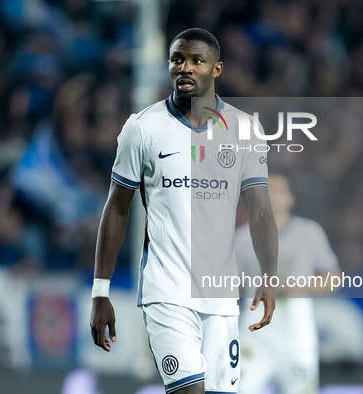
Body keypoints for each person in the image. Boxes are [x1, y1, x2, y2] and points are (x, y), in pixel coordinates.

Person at [90, 28, 278, 394]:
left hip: (221, 297)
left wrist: (269, 274)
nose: (185, 68)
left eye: (197, 61)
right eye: (178, 59)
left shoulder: (244, 129)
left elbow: (260, 211)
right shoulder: (143, 128)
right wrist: (101, 291)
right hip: (167, 292)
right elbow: (116, 207)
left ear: (217, 69)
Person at [236, 174, 340, 394]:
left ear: (290, 198)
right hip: (255, 335)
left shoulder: (309, 233)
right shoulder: (242, 238)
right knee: (238, 389)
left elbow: (334, 278)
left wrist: (299, 286)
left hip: (296, 337)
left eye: (276, 190)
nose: (270, 195)